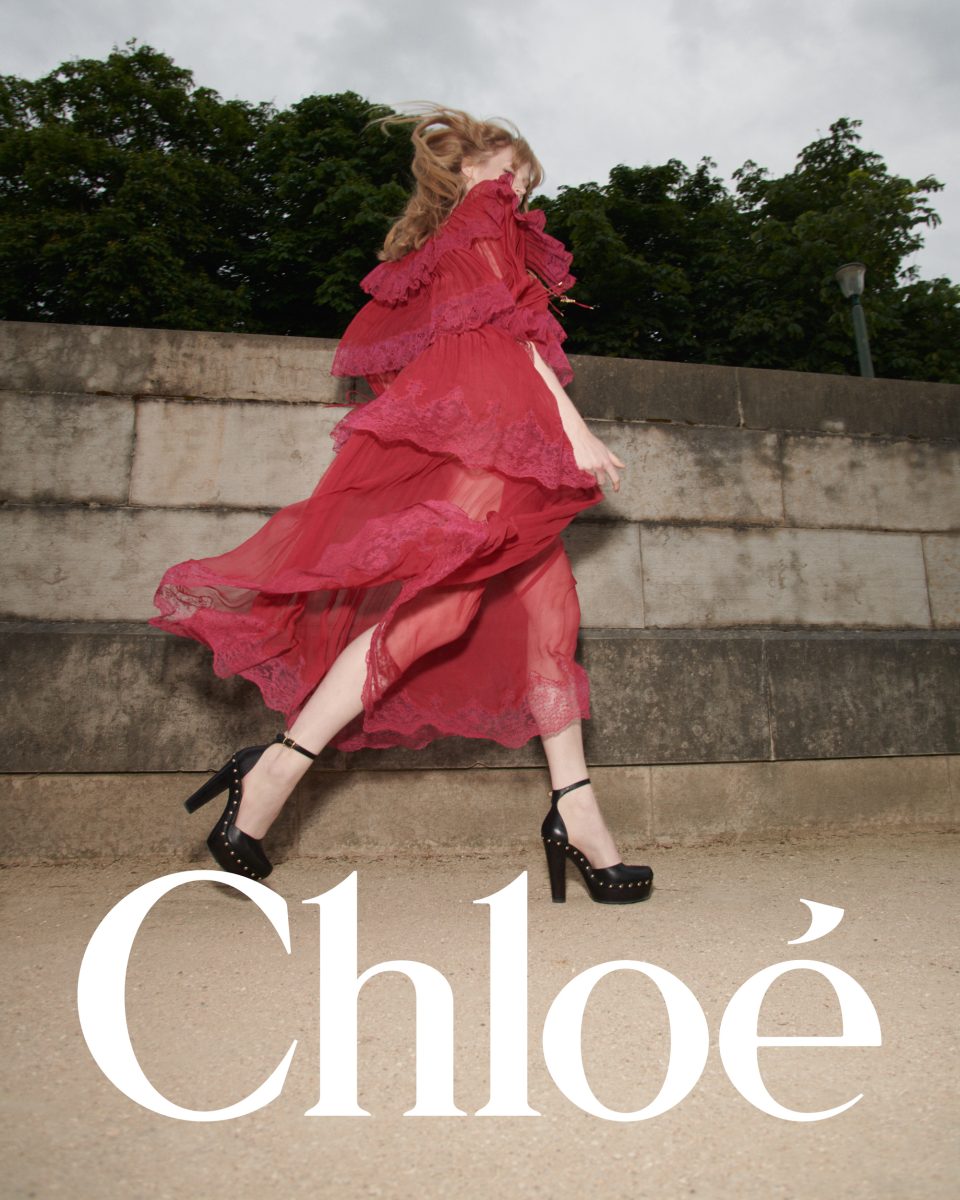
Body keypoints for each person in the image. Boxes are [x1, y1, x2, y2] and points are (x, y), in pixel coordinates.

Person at [150, 107, 653, 904]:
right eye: (511, 170)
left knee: (551, 614)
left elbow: (479, 341)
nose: (518, 188)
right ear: (470, 167)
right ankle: (276, 767)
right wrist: (575, 429)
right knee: (444, 608)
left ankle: (575, 805)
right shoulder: (482, 217)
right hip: (494, 427)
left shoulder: (449, 244)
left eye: (526, 181)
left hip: (499, 425)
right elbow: (515, 339)